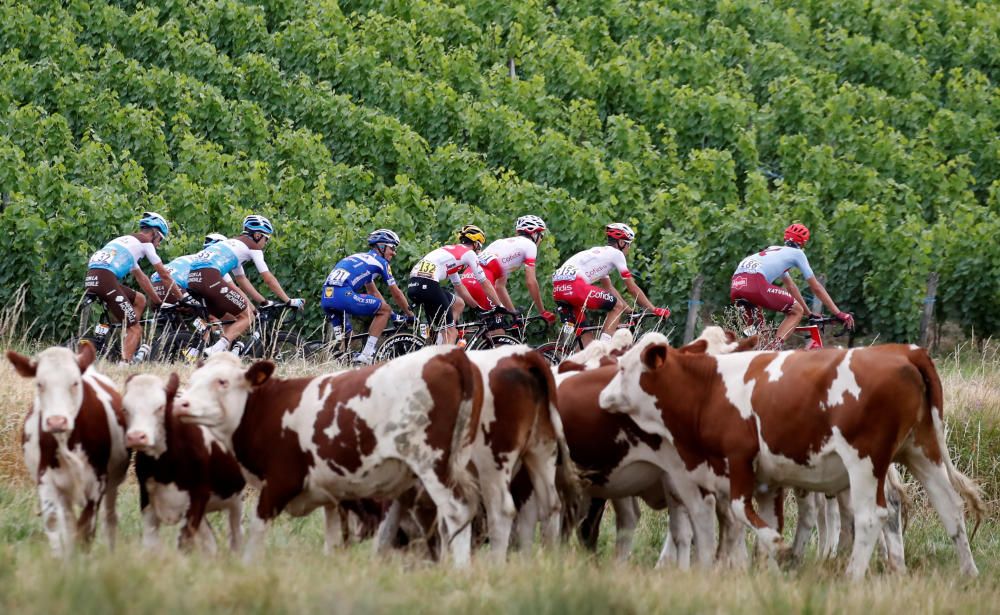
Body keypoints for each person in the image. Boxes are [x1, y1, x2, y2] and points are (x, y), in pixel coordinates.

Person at [187, 214, 304, 355]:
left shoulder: (233, 245)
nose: (265, 243)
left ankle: (222, 357)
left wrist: (263, 301)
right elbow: (268, 278)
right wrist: (288, 300)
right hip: (209, 277)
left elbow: (242, 280)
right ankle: (214, 350)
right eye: (266, 238)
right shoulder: (253, 247)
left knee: (231, 320)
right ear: (257, 235)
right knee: (248, 316)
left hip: (192, 279)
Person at [730, 223, 854, 349]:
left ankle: (760, 353)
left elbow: (791, 287)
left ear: (785, 238)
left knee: (759, 339)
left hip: (736, 286)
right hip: (755, 283)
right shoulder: (797, 253)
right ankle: (774, 348)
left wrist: (809, 314)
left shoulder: (773, 250)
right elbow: (816, 287)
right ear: (803, 243)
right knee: (796, 311)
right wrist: (839, 314)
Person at [552, 223, 670, 347]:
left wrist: (629, 310)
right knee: (616, 306)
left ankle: (573, 358)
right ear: (621, 243)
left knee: (587, 341)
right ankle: (604, 348)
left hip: (558, 290)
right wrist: (654, 309)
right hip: (575, 286)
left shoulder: (599, 255)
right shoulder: (616, 254)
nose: (628, 250)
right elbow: (632, 288)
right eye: (628, 245)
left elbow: (609, 288)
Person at [84, 211, 177, 364]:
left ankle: (129, 342)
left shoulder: (127, 242)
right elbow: (164, 274)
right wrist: (182, 298)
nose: (159, 244)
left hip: (93, 278)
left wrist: (158, 302)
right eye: (160, 238)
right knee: (136, 329)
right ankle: (125, 363)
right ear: (154, 233)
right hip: (106, 280)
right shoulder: (145, 242)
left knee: (140, 299)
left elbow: (142, 279)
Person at [320, 229, 415, 365]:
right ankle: (367, 354)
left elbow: (374, 293)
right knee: (385, 310)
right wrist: (410, 314)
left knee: (347, 342)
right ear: (381, 247)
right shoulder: (381, 263)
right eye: (392, 248)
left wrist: (392, 316)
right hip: (342, 294)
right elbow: (396, 293)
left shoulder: (361, 259)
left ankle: (341, 364)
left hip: (327, 297)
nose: (394, 253)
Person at [407, 224, 505, 345]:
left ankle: (440, 343)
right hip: (427, 284)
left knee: (458, 303)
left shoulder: (451, 253)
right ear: (476, 244)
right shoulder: (469, 254)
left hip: (414, 284)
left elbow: (459, 286)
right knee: (451, 332)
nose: (479, 250)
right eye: (480, 246)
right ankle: (443, 359)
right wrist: (499, 305)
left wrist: (477, 308)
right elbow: (484, 282)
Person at [459, 215, 557, 329]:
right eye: (541, 236)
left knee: (490, 329)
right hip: (482, 282)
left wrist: (513, 314)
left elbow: (500, 286)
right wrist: (542, 311)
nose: (541, 239)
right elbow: (531, 282)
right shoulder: (530, 245)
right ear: (534, 234)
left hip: (466, 278)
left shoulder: (501, 243)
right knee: (498, 335)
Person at [150, 233, 231, 304]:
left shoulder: (192, 257)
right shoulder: (213, 263)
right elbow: (231, 288)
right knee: (211, 315)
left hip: (155, 286)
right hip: (173, 286)